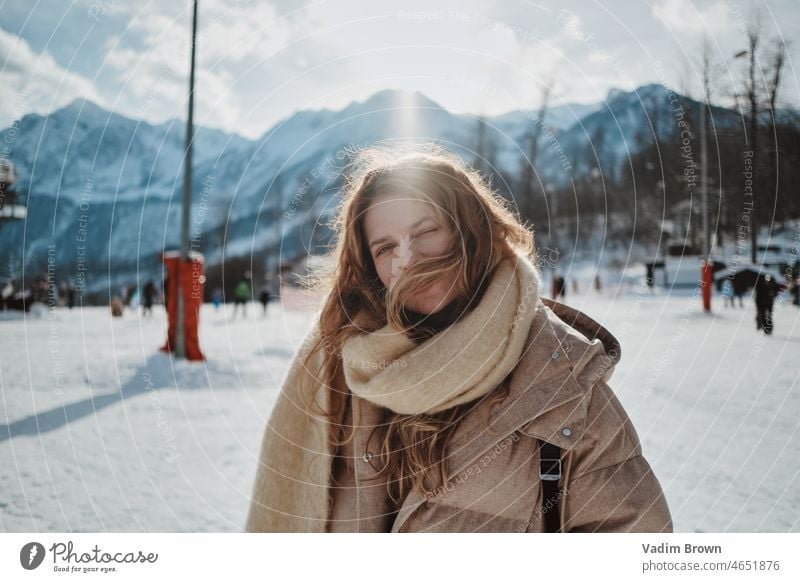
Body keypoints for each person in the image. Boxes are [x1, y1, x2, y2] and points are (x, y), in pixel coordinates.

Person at [244, 143, 672, 533]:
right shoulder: (337, 371)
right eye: (385, 248)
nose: (408, 259)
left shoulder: (562, 391)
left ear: (471, 229)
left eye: (426, 230)